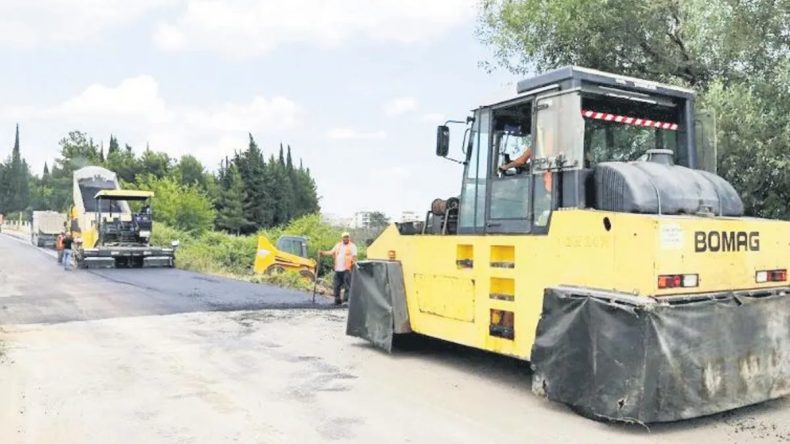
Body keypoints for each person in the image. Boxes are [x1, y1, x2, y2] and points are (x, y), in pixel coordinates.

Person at [320, 232, 358, 305]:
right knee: (336, 285)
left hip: (347, 269)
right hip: (338, 269)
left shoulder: (352, 246)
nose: (346, 238)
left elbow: (354, 257)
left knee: (347, 285)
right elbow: (331, 252)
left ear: (349, 238)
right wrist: (323, 253)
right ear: (342, 238)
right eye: (344, 237)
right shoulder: (338, 245)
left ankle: (346, 301)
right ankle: (337, 300)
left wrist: (353, 265)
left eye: (347, 237)